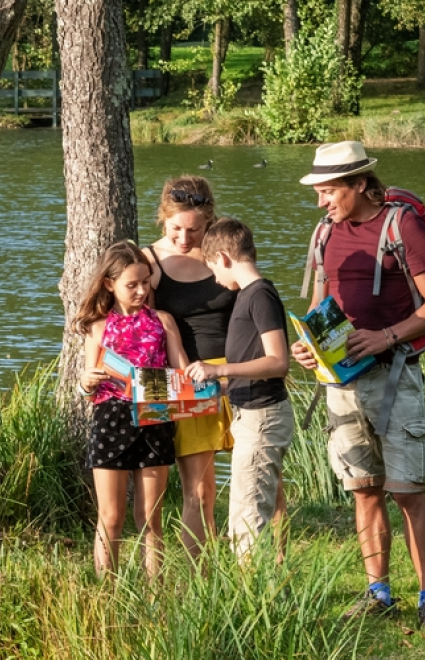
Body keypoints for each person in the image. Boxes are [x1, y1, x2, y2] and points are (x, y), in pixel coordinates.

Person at [292, 141, 425, 631]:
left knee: (408, 491)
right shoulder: (324, 232)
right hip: (342, 382)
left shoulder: (402, 225)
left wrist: (384, 336)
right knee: (364, 490)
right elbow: (321, 308)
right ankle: (377, 592)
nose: (322, 201)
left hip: (396, 375)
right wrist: (310, 348)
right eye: (319, 191)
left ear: (360, 183)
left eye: (329, 190)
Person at [74, 240, 188, 580]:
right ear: (110, 284)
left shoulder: (163, 321)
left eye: (146, 281)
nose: (141, 290)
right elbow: (84, 386)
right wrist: (87, 381)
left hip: (154, 417)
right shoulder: (97, 326)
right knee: (110, 517)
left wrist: (177, 385)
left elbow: (181, 375)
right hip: (111, 418)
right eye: (131, 285)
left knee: (151, 517)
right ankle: (106, 591)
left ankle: (155, 593)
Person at [186, 218, 293, 559]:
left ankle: (258, 604)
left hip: (262, 416)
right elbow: (256, 361)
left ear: (224, 257)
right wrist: (223, 384)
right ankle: (269, 595)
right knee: (243, 517)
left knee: (248, 522)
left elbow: (278, 361)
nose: (214, 278)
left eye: (212, 267)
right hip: (249, 413)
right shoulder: (247, 296)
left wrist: (219, 368)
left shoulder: (259, 295)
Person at [143, 176, 237, 560]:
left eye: (195, 230)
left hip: (237, 370)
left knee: (267, 482)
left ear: (209, 222)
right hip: (184, 379)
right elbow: (142, 328)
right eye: (176, 229)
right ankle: (200, 583)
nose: (185, 238)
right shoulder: (148, 260)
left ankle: (272, 574)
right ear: (162, 220)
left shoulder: (224, 250)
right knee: (200, 491)